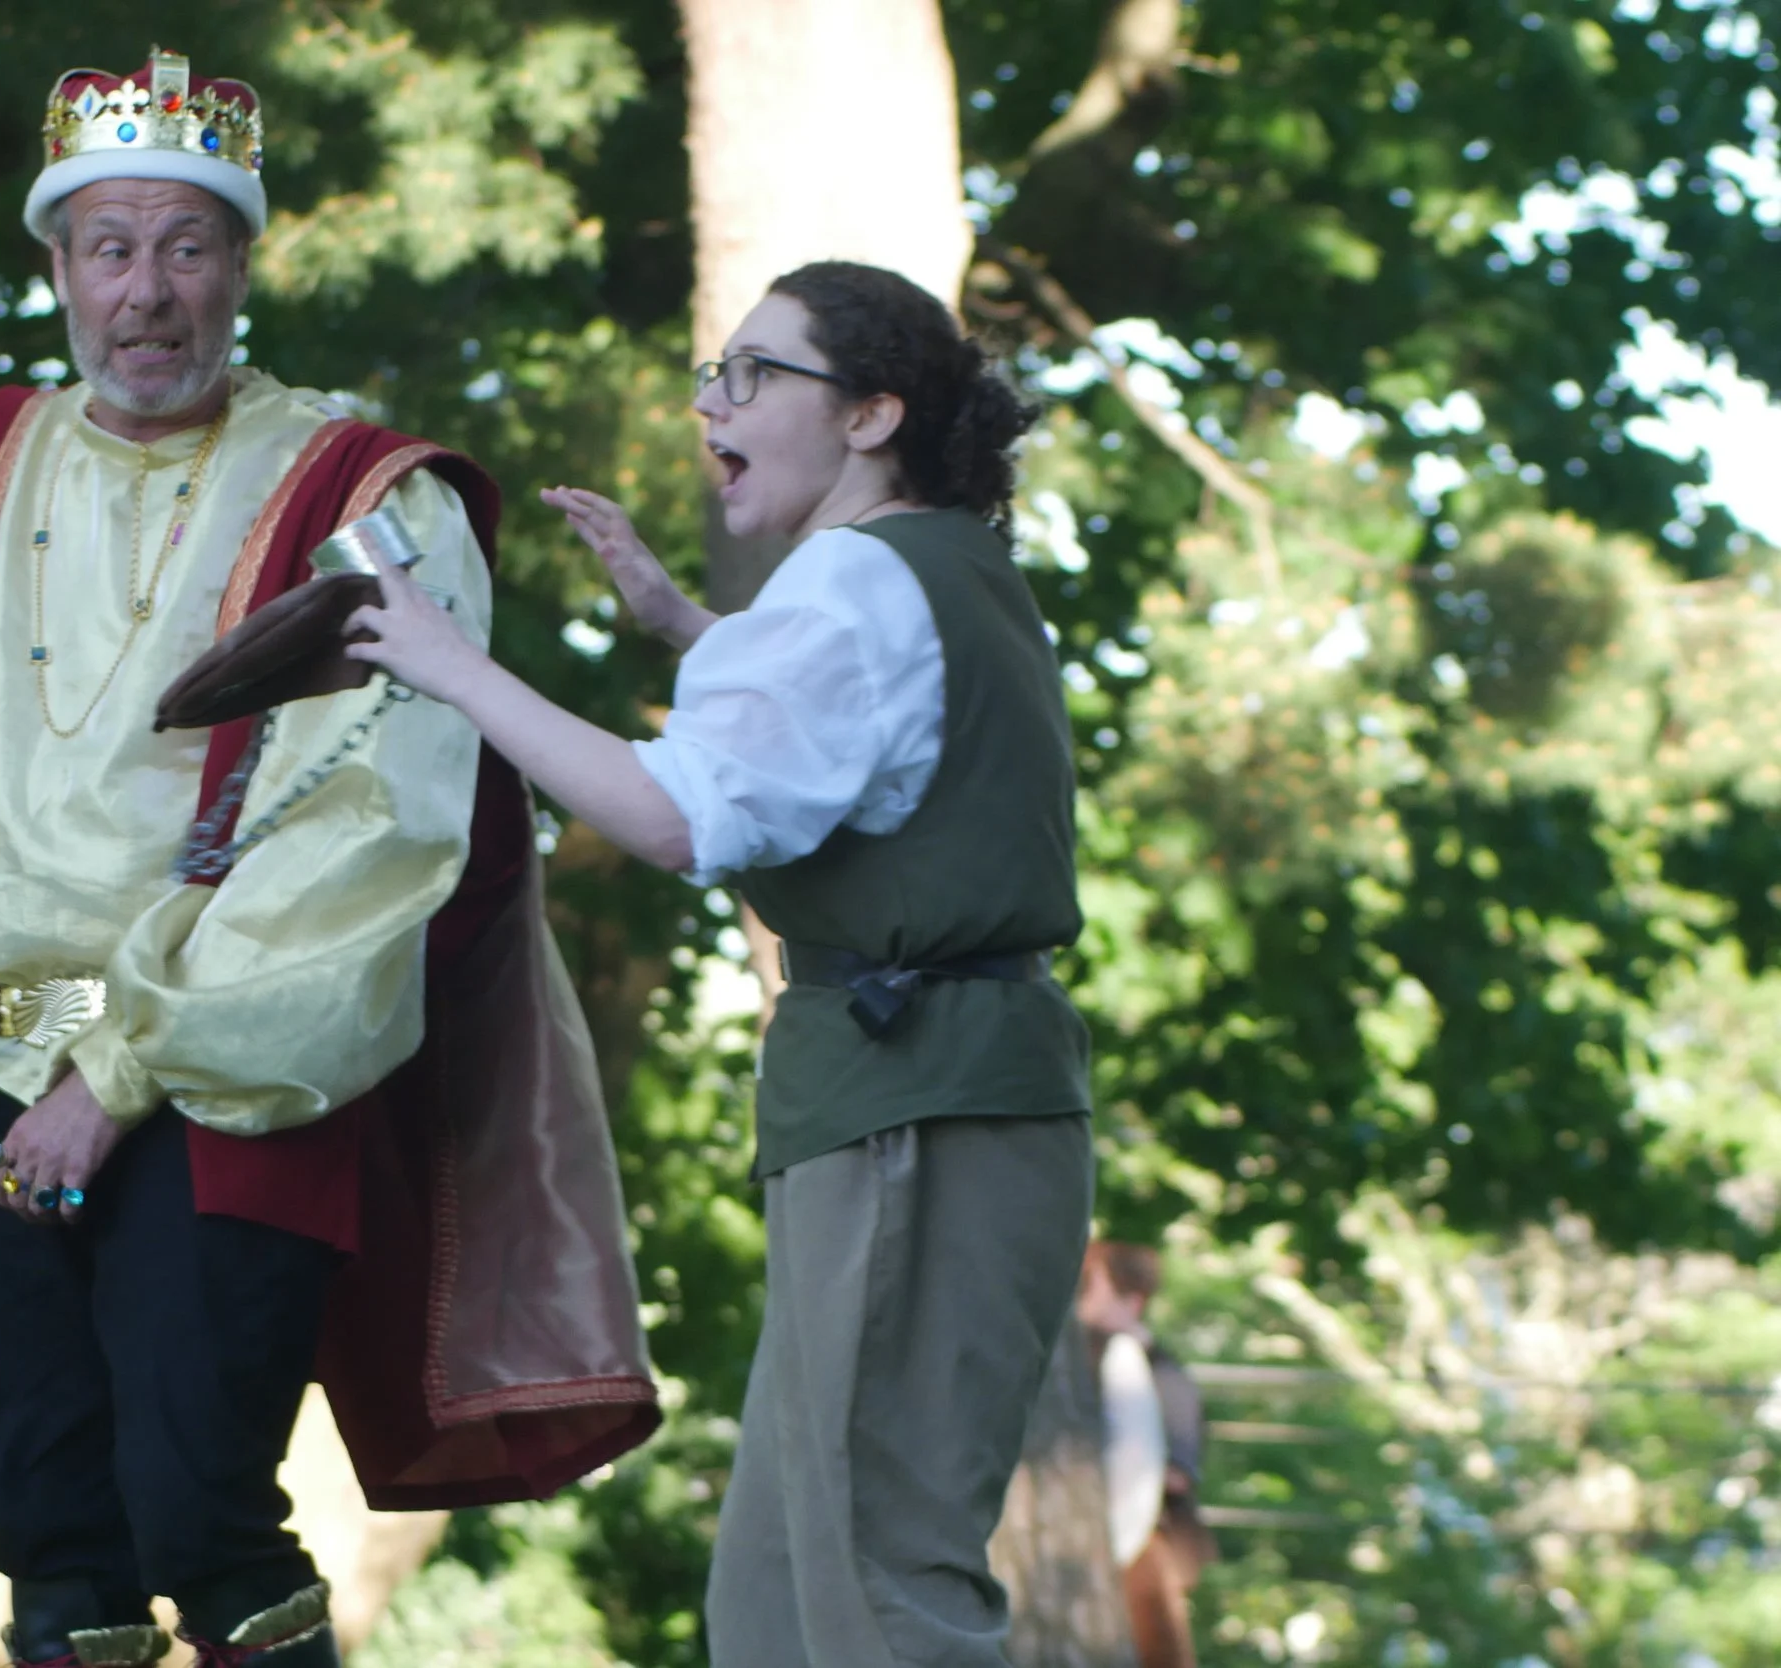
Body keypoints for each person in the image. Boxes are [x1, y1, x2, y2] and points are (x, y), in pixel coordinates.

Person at [0, 48, 654, 1668]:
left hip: (228, 1065)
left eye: (187, 246)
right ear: (60, 271)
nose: (148, 291)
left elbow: (372, 830)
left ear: (243, 265)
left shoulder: (365, 500)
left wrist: (121, 1067)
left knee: (199, 1504)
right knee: (51, 1538)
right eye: (113, 248)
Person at [347, 259, 1098, 1666]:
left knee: (876, 1583)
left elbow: (676, 815)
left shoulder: (859, 579)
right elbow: (851, 730)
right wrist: (686, 626)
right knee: (775, 1599)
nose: (713, 403)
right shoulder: (936, 567)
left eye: (755, 374)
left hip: (919, 1108)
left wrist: (451, 666)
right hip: (925, 1098)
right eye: (717, 373)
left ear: (870, 415)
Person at [1077, 1241, 1218, 1668]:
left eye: (1092, 1287)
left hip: (1143, 1543)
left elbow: (1174, 1473)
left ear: (1131, 1302)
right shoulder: (1097, 1360)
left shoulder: (1162, 1375)